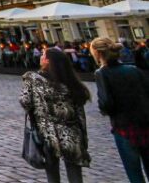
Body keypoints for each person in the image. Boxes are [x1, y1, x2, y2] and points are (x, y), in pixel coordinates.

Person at [20, 47, 91, 183]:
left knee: (52, 175)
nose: (40, 57)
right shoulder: (71, 81)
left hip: (47, 133)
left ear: (48, 61)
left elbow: (25, 102)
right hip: (72, 133)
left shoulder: (33, 79)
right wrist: (83, 137)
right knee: (75, 174)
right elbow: (80, 113)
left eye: (43, 55)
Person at [91, 37, 149, 182]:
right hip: (145, 124)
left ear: (97, 53)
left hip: (124, 127)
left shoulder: (102, 73)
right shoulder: (133, 69)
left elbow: (106, 104)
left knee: (134, 172)